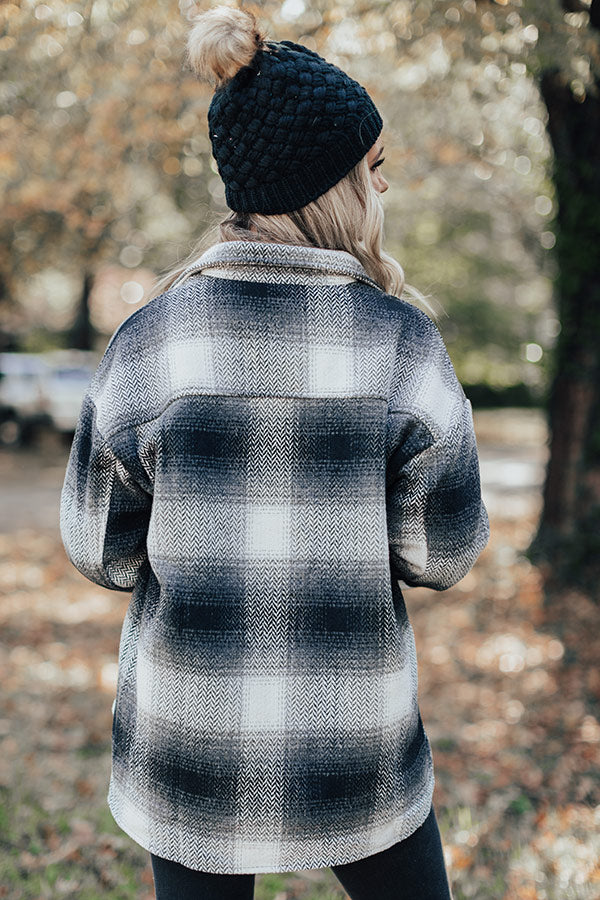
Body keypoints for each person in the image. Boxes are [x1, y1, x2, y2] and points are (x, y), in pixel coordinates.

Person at [59, 7, 490, 899]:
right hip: (355, 746)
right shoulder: (401, 345)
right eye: (374, 170)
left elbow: (99, 550)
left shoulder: (149, 345)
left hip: (192, 744)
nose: (384, 190)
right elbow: (443, 553)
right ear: (332, 187)